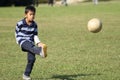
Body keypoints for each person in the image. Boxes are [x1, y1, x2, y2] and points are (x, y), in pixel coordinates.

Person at [15, 6, 47, 80]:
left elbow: (35, 35)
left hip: (31, 43)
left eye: (34, 14)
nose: (32, 16)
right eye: (30, 14)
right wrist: (18, 41)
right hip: (22, 41)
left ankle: (26, 75)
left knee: (32, 59)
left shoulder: (34, 25)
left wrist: (39, 43)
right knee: (30, 46)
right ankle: (40, 51)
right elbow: (16, 33)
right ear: (25, 15)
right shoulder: (20, 23)